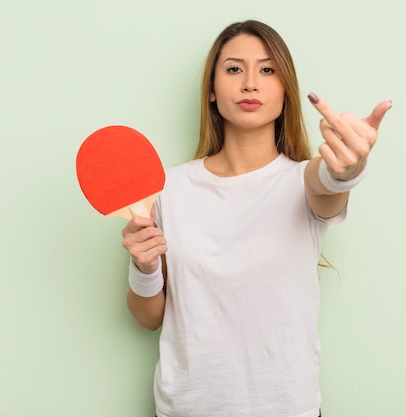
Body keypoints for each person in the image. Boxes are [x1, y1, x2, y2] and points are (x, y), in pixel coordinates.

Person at [121, 19, 391, 417]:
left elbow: (328, 183)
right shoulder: (168, 189)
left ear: (286, 90)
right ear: (212, 90)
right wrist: (143, 265)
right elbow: (149, 319)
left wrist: (348, 169)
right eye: (234, 69)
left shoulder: (302, 180)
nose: (250, 83)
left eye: (267, 70)